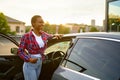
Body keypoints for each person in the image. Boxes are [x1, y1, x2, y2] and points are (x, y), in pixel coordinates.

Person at [18, 15, 62, 80]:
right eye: (40, 22)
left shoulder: (43, 34)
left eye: (43, 22)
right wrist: (29, 59)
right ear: (33, 23)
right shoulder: (26, 36)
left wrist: (56, 35)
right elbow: (20, 51)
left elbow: (50, 36)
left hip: (40, 63)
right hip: (30, 64)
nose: (43, 24)